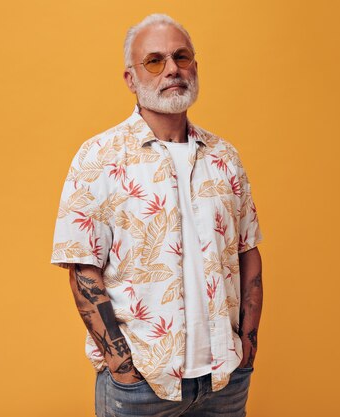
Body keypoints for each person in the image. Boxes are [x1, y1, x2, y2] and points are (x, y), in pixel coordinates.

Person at [51, 13, 263, 417]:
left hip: (225, 378)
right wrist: (122, 367)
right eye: (155, 61)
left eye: (181, 58)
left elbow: (248, 250)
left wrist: (248, 349)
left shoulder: (225, 157)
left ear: (194, 68)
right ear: (131, 78)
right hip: (142, 385)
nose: (171, 70)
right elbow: (82, 266)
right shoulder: (99, 157)